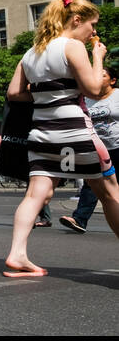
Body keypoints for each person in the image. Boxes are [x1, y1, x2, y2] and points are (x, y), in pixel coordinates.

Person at [2, 0, 119, 277]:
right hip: (77, 132)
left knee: (34, 195)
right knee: (111, 193)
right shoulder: (72, 46)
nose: (92, 32)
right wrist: (98, 56)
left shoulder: (31, 53)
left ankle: (17, 253)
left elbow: (14, 93)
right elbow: (92, 88)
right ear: (75, 20)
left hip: (42, 134)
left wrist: (47, 92)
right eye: (91, 25)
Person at [61, 61, 119, 233]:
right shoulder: (87, 99)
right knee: (92, 184)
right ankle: (79, 219)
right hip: (96, 148)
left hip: (117, 146)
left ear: (112, 80)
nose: (97, 78)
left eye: (103, 75)